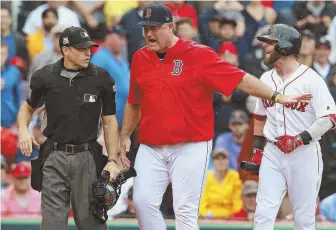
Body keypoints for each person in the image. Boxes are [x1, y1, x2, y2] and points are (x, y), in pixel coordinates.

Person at [118, 3, 312, 230]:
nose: (149, 33)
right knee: (141, 202)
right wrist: (125, 135)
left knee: (185, 211)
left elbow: (240, 79)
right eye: (145, 28)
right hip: (151, 144)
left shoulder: (198, 54)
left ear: (170, 27)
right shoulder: (141, 58)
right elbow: (134, 102)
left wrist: (277, 96)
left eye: (154, 27)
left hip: (190, 145)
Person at [17, 26, 130, 230]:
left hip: (87, 155)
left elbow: (110, 120)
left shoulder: (101, 78)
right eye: (82, 48)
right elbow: (27, 108)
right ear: (66, 50)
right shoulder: (45, 76)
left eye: (89, 48)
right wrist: (23, 130)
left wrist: (112, 160)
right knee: (52, 225)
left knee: (91, 224)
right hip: (54, 155)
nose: (88, 52)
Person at [249, 24, 336, 230]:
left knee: (304, 218)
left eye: (270, 43)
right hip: (273, 150)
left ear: (285, 47)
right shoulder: (265, 78)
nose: (265, 46)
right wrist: (258, 149)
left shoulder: (311, 79)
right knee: (263, 213)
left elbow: (330, 117)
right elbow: (260, 117)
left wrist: (299, 139)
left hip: (304, 153)